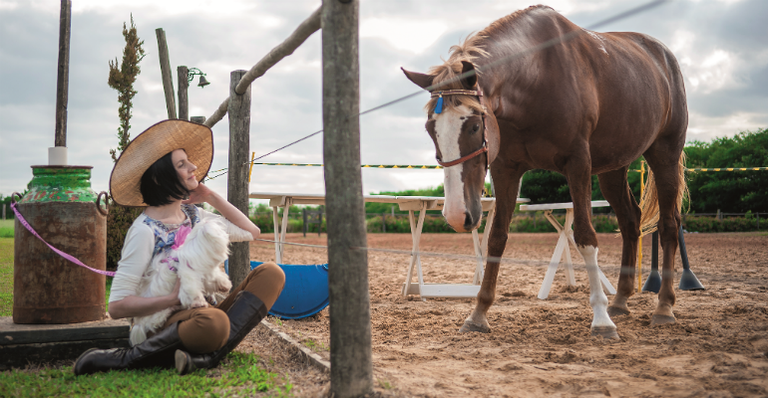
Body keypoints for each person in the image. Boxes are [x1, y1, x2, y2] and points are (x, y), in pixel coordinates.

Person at [74, 119, 285, 376]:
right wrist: (172, 299)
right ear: (159, 178)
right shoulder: (144, 231)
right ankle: (129, 357)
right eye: (182, 164)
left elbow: (251, 232)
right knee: (215, 323)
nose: (193, 167)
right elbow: (117, 306)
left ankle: (205, 358)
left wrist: (211, 197)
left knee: (271, 273)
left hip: (201, 311)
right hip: (163, 321)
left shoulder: (194, 215)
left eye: (189, 161)